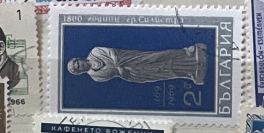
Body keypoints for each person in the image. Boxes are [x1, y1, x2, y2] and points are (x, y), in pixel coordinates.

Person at [67, 40, 207, 85]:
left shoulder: (95, 51)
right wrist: (119, 71)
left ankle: (187, 52)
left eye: (77, 63)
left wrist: (117, 64)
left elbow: (112, 53)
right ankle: (188, 73)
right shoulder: (95, 76)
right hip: (129, 73)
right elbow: (113, 74)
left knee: (155, 57)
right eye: (78, 68)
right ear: (80, 72)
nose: (80, 66)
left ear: (79, 59)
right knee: (159, 74)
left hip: (128, 59)